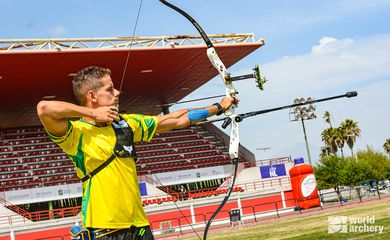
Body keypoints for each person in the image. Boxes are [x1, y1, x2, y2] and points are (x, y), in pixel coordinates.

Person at [36, 66, 236, 240]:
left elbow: (176, 119)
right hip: (103, 229)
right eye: (110, 89)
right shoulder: (76, 133)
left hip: (139, 225)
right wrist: (92, 113)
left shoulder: (126, 123)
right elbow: (44, 108)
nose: (117, 92)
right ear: (92, 96)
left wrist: (218, 107)